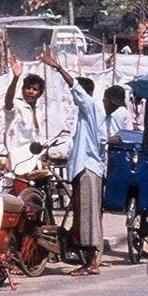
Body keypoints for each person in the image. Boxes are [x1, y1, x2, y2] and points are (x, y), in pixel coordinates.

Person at [46, 53, 106, 273]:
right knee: (85, 215)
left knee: (86, 217)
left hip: (88, 169)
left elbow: (76, 89)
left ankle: (91, 262)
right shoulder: (86, 115)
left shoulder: (90, 106)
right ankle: (91, 260)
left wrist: (59, 68)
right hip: (87, 168)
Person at [1, 73, 56, 175]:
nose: (30, 91)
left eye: (34, 89)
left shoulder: (39, 113)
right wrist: (15, 78)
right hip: (18, 161)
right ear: (22, 90)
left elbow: (35, 138)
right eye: (28, 88)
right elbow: (8, 103)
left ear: (40, 93)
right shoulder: (17, 105)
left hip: (33, 160)